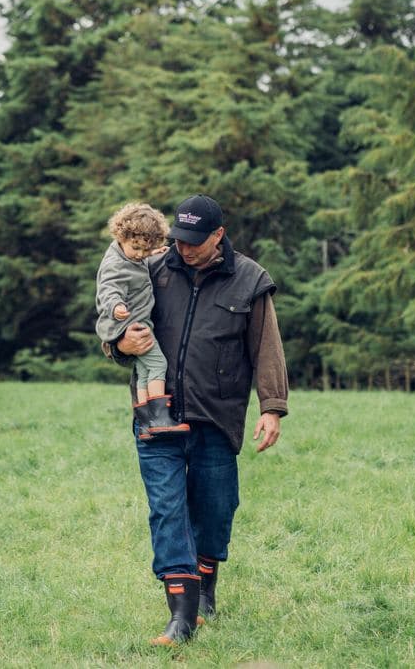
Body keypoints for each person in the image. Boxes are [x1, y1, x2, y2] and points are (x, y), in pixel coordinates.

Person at [105, 193, 288, 647]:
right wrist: (116, 343)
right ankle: (181, 617)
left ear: (219, 235)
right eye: (178, 240)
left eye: (194, 242)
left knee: (214, 509)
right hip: (156, 412)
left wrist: (271, 407)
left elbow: (266, 346)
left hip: (216, 416)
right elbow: (109, 310)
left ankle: (206, 586)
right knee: (167, 510)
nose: (183, 250)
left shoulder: (249, 279)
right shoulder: (154, 268)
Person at [95, 202, 190, 440]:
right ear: (121, 235)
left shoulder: (130, 256)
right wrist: (115, 306)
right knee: (158, 364)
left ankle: (145, 422)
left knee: (143, 369)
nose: (139, 254)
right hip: (130, 325)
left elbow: (136, 265)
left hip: (132, 322)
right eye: (136, 248)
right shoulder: (114, 264)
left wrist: (150, 256)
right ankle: (159, 418)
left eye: (146, 250)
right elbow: (108, 289)